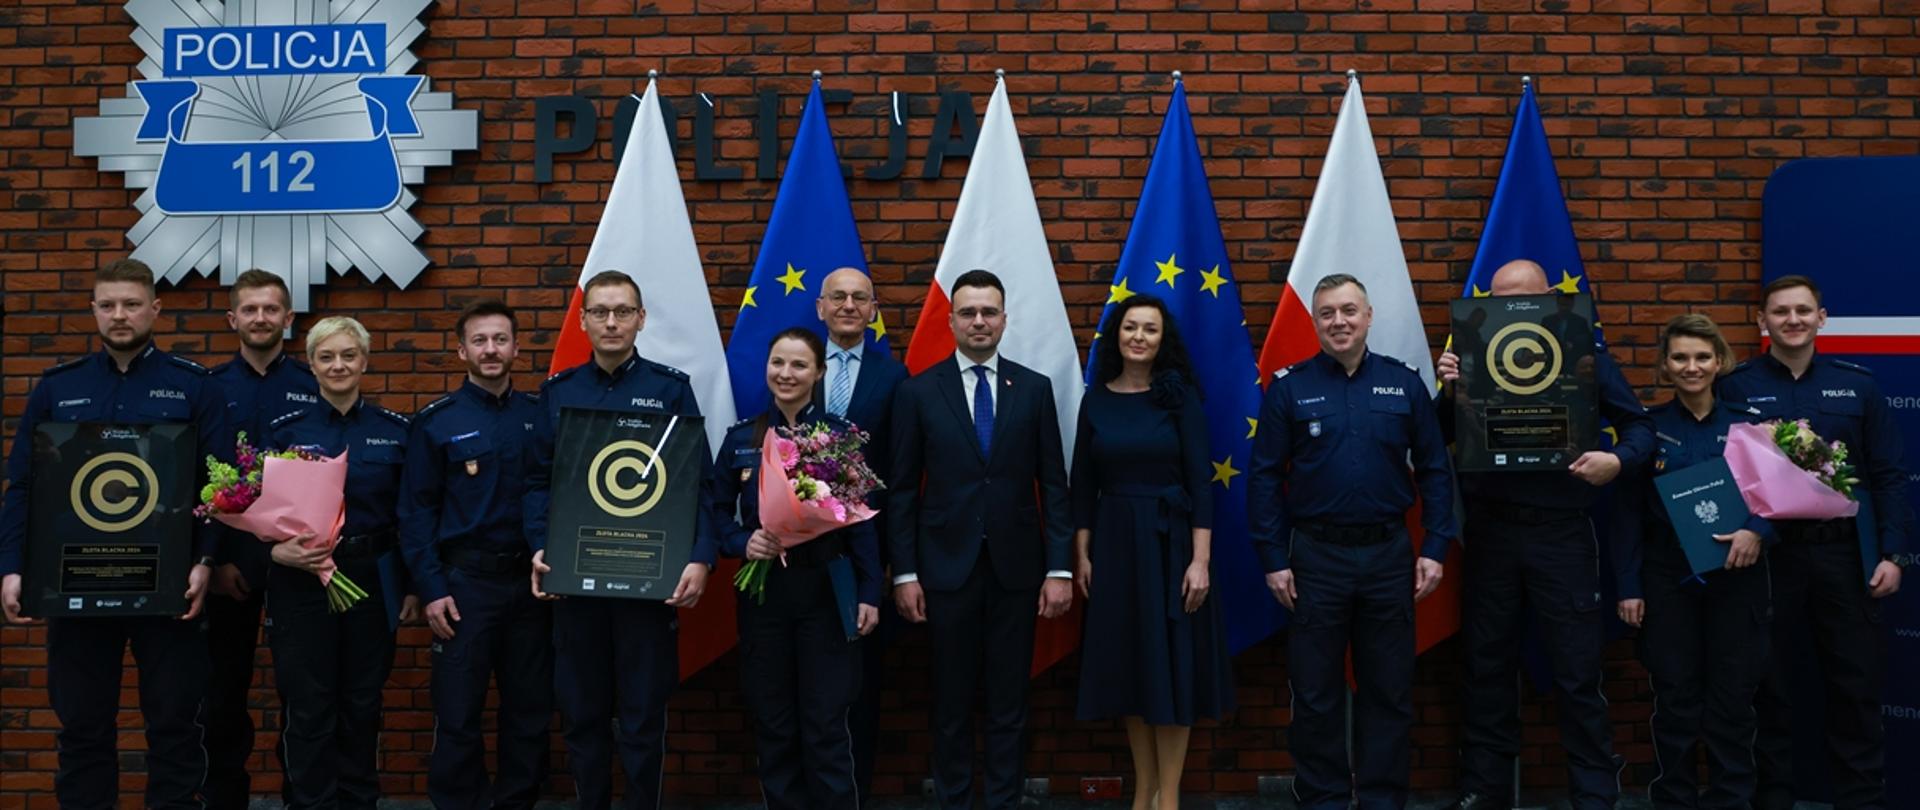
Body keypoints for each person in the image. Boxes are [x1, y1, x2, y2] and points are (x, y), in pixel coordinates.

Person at [0, 258, 223, 810]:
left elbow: (220, 488)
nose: (119, 315)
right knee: (82, 727)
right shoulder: (58, 387)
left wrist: (207, 561)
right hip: (73, 584)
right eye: (108, 305)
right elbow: (23, 485)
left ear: (155, 308)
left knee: (173, 725)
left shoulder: (194, 387)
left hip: (169, 590)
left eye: (130, 304)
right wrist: (12, 567)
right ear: (94, 310)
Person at [1436, 259, 1654, 810]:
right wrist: (1446, 391)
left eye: (1528, 299)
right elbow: (1435, 436)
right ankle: (1483, 791)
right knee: (1486, 666)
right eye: (1506, 301)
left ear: (1551, 300)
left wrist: (1617, 460)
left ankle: (1594, 794)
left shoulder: (1585, 356)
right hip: (1491, 535)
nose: (1517, 309)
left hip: (1563, 534)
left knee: (1578, 671)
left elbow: (1641, 427)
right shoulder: (1469, 355)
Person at [1248, 274, 1454, 810]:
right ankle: (1322, 799)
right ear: (1315, 321)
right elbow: (1265, 479)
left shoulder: (1404, 385)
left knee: (1387, 691)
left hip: (1388, 556)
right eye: (1327, 313)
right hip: (1316, 557)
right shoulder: (1289, 388)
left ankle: (1383, 800)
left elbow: (1435, 470)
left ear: (1368, 316)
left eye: (1348, 311)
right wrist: (1273, 559)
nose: (1338, 322)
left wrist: (1434, 547)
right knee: (1315, 694)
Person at [524, 270, 718, 810]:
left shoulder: (669, 389)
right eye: (601, 311)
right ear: (583, 321)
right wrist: (541, 546)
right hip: (575, 585)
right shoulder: (560, 393)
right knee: (582, 716)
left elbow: (697, 484)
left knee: (642, 716)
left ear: (641, 319)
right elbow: (539, 481)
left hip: (649, 586)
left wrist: (702, 558)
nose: (612, 322)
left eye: (623, 311)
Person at [1718, 275, 1909, 810]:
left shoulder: (1859, 386)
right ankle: (1772, 798)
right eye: (1780, 312)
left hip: (1843, 557)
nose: (1793, 320)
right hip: (1768, 559)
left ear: (1822, 318)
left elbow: (1888, 474)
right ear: (1763, 321)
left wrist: (1892, 554)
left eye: (1804, 310)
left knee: (1854, 687)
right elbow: (1727, 474)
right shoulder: (1736, 386)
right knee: (1768, 686)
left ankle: (1861, 801)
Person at [887, 268, 1074, 810]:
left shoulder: (1034, 389)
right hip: (944, 572)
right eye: (968, 312)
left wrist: (1059, 569)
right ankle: (953, 800)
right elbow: (901, 490)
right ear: (950, 320)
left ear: (1004, 319)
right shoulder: (919, 392)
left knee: (1010, 700)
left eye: (988, 311)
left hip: (1017, 570)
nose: (978, 321)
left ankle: (1002, 801)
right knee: (949, 701)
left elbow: (1054, 487)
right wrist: (904, 573)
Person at [1071, 295, 1234, 810]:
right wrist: (1083, 554)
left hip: (1172, 546)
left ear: (1164, 341)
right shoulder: (1095, 398)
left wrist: (1200, 561)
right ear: (1116, 335)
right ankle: (1144, 792)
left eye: (1150, 329)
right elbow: (1082, 485)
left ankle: (1171, 799)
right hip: (1115, 547)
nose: (1139, 337)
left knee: (1173, 669)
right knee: (1131, 668)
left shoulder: (1179, 396)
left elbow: (1200, 484)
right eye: (1130, 327)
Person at [713, 327, 883, 809]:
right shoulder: (742, 438)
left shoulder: (839, 438)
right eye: (778, 364)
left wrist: (870, 592)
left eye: (799, 365)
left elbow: (862, 522)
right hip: (764, 597)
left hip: (825, 593)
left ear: (819, 372)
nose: (786, 374)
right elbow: (715, 512)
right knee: (774, 721)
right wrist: (743, 541)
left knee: (826, 722)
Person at [1612, 313, 1775, 808]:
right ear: (1665, 364)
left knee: (1732, 701)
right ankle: (1675, 798)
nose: (1692, 366)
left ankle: (1731, 799)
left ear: (1719, 361)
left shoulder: (1750, 426)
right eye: (1680, 357)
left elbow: (1776, 497)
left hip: (1737, 576)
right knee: (1676, 698)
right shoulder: (1648, 428)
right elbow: (1626, 517)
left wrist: (1758, 531)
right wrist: (1628, 585)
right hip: (1668, 578)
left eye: (1702, 357)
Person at [399, 300, 552, 809]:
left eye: (501, 340)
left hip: (531, 588)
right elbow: (416, 511)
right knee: (459, 714)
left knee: (528, 712)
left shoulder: (540, 417)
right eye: (480, 341)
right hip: (465, 586)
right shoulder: (436, 423)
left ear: (516, 347)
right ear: (462, 349)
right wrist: (431, 588)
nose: (491, 350)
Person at [265, 315, 421, 810]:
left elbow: (412, 515)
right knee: (308, 707)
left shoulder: (395, 432)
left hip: (370, 579)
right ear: (310, 364)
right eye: (327, 356)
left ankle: (357, 801)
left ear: (364, 361)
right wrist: (274, 549)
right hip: (301, 581)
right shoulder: (284, 432)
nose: (338, 365)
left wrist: (414, 586)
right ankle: (310, 803)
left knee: (361, 703)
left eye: (348, 355)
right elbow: (251, 507)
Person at [204, 268, 318, 810]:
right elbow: (197, 483)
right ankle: (226, 800)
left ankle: (301, 796)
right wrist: (215, 561)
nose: (260, 318)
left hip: (297, 564)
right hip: (229, 570)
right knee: (222, 695)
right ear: (232, 319)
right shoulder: (208, 388)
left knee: (301, 694)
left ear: (288, 318)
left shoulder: (311, 383)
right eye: (249, 309)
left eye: (271, 309)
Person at [814, 267, 909, 799]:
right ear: (820, 308)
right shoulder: (798, 363)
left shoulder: (893, 376)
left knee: (862, 684)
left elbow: (900, 470)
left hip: (868, 554)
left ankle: (858, 793)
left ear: (873, 311)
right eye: (838, 297)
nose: (849, 305)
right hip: (805, 548)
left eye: (860, 298)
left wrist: (894, 560)